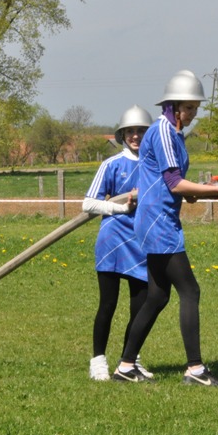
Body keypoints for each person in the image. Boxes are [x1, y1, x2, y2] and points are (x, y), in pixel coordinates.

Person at [112, 70, 218, 386]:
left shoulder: (172, 134)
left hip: (158, 220)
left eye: (196, 108)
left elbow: (174, 186)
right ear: (174, 107)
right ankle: (195, 370)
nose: (194, 114)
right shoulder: (165, 132)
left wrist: (199, 191)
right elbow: (173, 183)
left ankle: (126, 367)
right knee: (190, 290)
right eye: (190, 108)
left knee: (157, 297)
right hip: (159, 224)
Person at [82, 105, 155, 381]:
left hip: (143, 241)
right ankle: (98, 360)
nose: (136, 136)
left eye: (141, 131)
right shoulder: (111, 165)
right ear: (122, 135)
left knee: (140, 306)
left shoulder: (155, 165)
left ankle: (130, 359)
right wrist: (121, 208)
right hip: (113, 240)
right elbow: (88, 203)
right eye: (131, 131)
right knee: (108, 304)